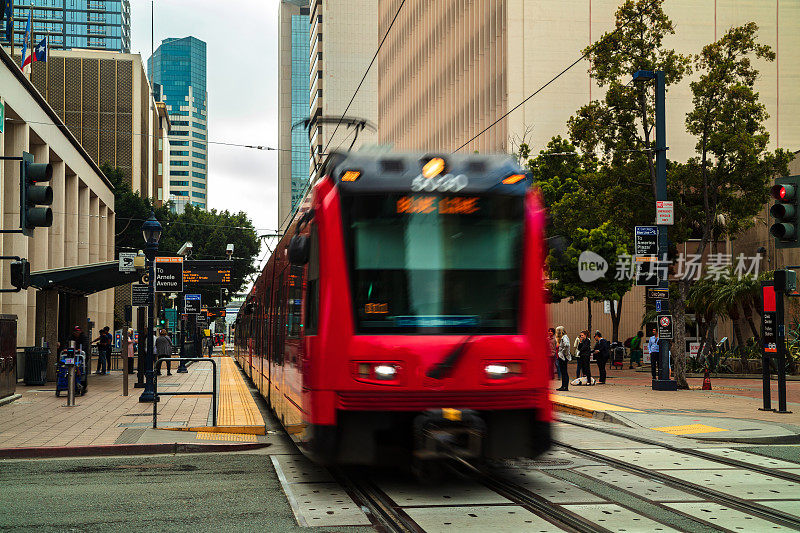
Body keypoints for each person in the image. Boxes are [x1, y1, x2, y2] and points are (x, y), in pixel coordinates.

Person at [555, 326, 570, 391]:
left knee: (564, 372)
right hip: (562, 356)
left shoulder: (564, 337)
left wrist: (563, 352)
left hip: (563, 357)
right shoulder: (562, 338)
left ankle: (565, 386)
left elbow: (567, 345)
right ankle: (563, 386)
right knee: (563, 372)